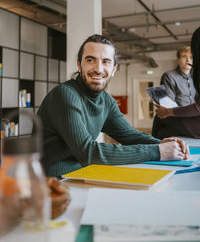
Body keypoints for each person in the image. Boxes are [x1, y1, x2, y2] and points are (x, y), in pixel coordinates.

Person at [37, 34, 189, 177]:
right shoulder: (65, 95)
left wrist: (164, 144)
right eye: (90, 60)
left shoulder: (106, 100)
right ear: (79, 65)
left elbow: (129, 135)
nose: (98, 69)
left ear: (114, 69)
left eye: (105, 61)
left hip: (81, 175)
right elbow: (88, 152)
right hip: (53, 182)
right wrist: (158, 151)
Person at [155, 27, 200, 139]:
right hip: (182, 113)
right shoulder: (169, 76)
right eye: (184, 57)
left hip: (190, 115)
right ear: (178, 60)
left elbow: (197, 107)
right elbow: (168, 101)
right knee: (163, 130)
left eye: (191, 57)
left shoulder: (194, 76)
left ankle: (154, 142)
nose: (188, 60)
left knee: (160, 121)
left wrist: (168, 112)